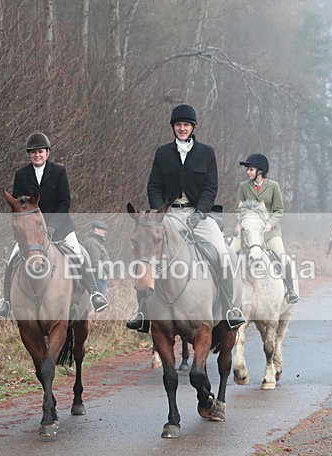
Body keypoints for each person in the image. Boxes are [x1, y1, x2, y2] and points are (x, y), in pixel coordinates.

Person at [126, 104, 245, 332]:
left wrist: (200, 212)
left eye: (186, 125)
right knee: (147, 252)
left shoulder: (206, 152)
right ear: (173, 127)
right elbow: (154, 185)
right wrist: (159, 211)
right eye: (179, 125)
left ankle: (229, 308)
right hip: (167, 214)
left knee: (222, 252)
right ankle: (142, 312)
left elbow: (211, 187)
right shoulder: (162, 152)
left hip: (198, 214)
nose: (182, 128)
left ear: (193, 127)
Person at [0, 132, 109, 319]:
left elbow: (64, 202)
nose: (36, 155)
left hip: (60, 227)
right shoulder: (21, 175)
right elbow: (17, 204)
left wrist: (51, 226)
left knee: (78, 254)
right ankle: (6, 302)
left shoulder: (58, 172)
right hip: (31, 231)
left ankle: (95, 294)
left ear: (47, 152)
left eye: (40, 151)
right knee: (12, 259)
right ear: (29, 155)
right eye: (33, 152)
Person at [230, 152, 298, 304]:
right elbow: (238, 209)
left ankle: (290, 290)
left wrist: (270, 223)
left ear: (260, 171)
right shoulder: (243, 187)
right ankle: (226, 293)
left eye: (250, 169)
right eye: (247, 169)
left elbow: (279, 209)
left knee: (282, 257)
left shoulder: (273, 186)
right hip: (248, 231)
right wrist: (239, 224)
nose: (247, 172)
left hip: (269, 232)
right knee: (227, 254)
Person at [83, 220, 110, 295]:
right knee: (99, 302)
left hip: (98, 278)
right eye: (103, 229)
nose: (105, 232)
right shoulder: (92, 243)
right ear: (96, 230)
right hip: (97, 278)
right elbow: (95, 263)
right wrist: (103, 275)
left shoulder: (96, 242)